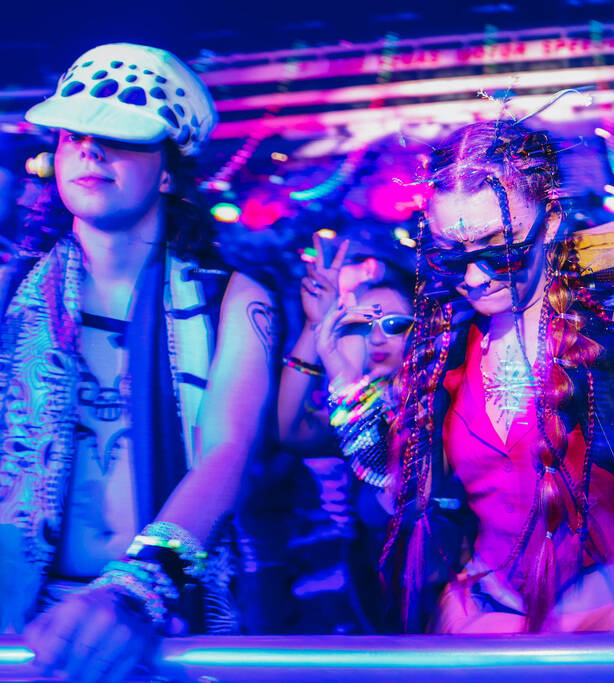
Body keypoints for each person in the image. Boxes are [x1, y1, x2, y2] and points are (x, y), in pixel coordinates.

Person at [378, 119, 614, 634]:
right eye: (449, 254)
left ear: (551, 222)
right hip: (485, 637)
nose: (472, 277)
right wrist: (351, 387)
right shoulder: (446, 349)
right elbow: (393, 497)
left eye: (498, 250)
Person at [0, 43, 277, 682]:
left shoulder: (232, 300)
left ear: (169, 171)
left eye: (120, 138)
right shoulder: (10, 291)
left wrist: (132, 594)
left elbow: (225, 453)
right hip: (17, 625)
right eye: (75, 136)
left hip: (166, 622)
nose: (90, 150)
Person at [277, 234, 413, 633]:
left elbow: (385, 459)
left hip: (438, 608)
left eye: (394, 324)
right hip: (372, 605)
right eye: (363, 324)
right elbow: (291, 430)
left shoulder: (439, 405)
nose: (376, 337)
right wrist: (313, 326)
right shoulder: (354, 405)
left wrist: (341, 372)